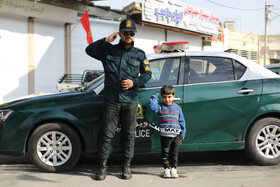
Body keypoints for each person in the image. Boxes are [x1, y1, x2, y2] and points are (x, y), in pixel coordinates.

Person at [85, 18, 152, 180]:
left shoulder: (140, 54)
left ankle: (126, 167)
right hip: (111, 100)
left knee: (128, 135)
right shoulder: (108, 51)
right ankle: (102, 168)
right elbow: (89, 50)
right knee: (107, 134)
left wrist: (134, 82)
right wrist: (106, 40)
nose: (128, 35)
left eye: (131, 33)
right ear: (120, 33)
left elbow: (148, 74)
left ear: (134, 35)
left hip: (130, 100)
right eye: (125, 33)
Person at [149, 84, 186, 178]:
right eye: (164, 97)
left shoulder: (177, 108)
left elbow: (181, 120)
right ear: (162, 97)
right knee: (165, 153)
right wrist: (155, 96)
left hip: (176, 135)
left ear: (173, 96)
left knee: (174, 153)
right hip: (165, 136)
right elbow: (152, 106)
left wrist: (183, 131)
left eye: (169, 97)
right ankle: (166, 169)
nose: (167, 99)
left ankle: (174, 168)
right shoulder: (160, 107)